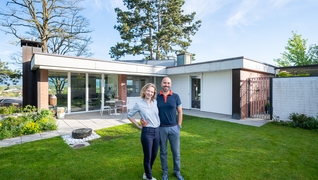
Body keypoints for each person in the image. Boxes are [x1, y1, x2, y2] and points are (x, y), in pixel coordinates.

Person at [142, 77, 184, 180]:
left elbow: (180, 112)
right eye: (165, 83)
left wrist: (179, 125)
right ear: (161, 84)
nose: (166, 85)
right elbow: (148, 110)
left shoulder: (176, 96)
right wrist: (142, 120)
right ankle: (165, 172)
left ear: (171, 84)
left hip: (174, 128)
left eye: (168, 83)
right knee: (163, 152)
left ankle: (177, 172)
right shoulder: (156, 98)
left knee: (176, 152)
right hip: (161, 129)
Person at [127, 83, 160, 180]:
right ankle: (149, 177)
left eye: (152, 92)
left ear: (154, 93)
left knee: (154, 155)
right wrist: (138, 125)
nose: (150, 93)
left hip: (157, 130)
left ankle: (146, 173)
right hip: (147, 132)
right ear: (144, 91)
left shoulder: (155, 102)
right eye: (148, 91)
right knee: (148, 156)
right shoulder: (139, 104)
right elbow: (129, 115)